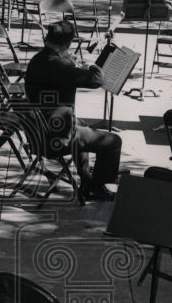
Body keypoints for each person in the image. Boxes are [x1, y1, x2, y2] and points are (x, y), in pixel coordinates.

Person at [24, 20, 122, 201]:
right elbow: (96, 80)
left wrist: (68, 60)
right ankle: (99, 188)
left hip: (38, 132)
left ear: (47, 38)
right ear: (68, 44)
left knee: (81, 125)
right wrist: (90, 64)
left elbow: (57, 74)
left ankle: (87, 182)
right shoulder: (61, 67)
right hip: (56, 138)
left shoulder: (38, 60)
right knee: (114, 141)